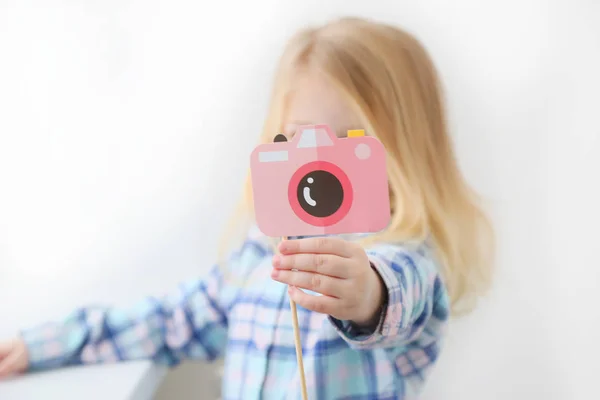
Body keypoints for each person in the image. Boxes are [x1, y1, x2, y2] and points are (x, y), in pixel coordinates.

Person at [0, 16, 494, 400]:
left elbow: (396, 296)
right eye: (303, 137)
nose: (324, 164)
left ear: (404, 152)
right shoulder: (257, 259)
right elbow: (172, 321)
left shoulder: (406, 258)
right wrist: (48, 344)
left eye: (352, 142)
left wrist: (366, 292)